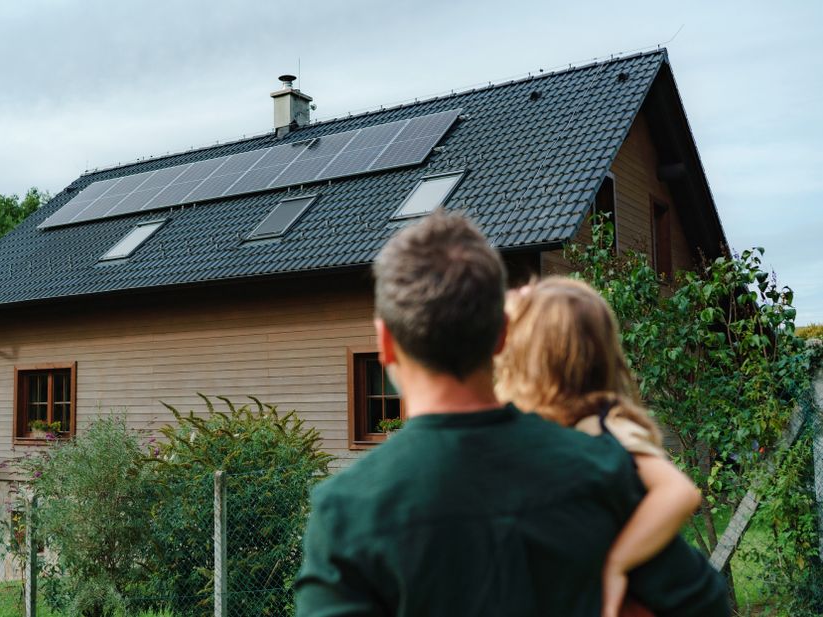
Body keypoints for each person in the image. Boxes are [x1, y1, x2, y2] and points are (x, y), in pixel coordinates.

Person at [293, 212, 728, 616]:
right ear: (501, 334)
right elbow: (706, 604)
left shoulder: (346, 513)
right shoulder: (600, 468)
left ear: (385, 343)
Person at [495, 277, 703, 617]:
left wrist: (616, 562)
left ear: (535, 359)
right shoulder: (552, 426)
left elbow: (679, 492)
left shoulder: (605, 427)